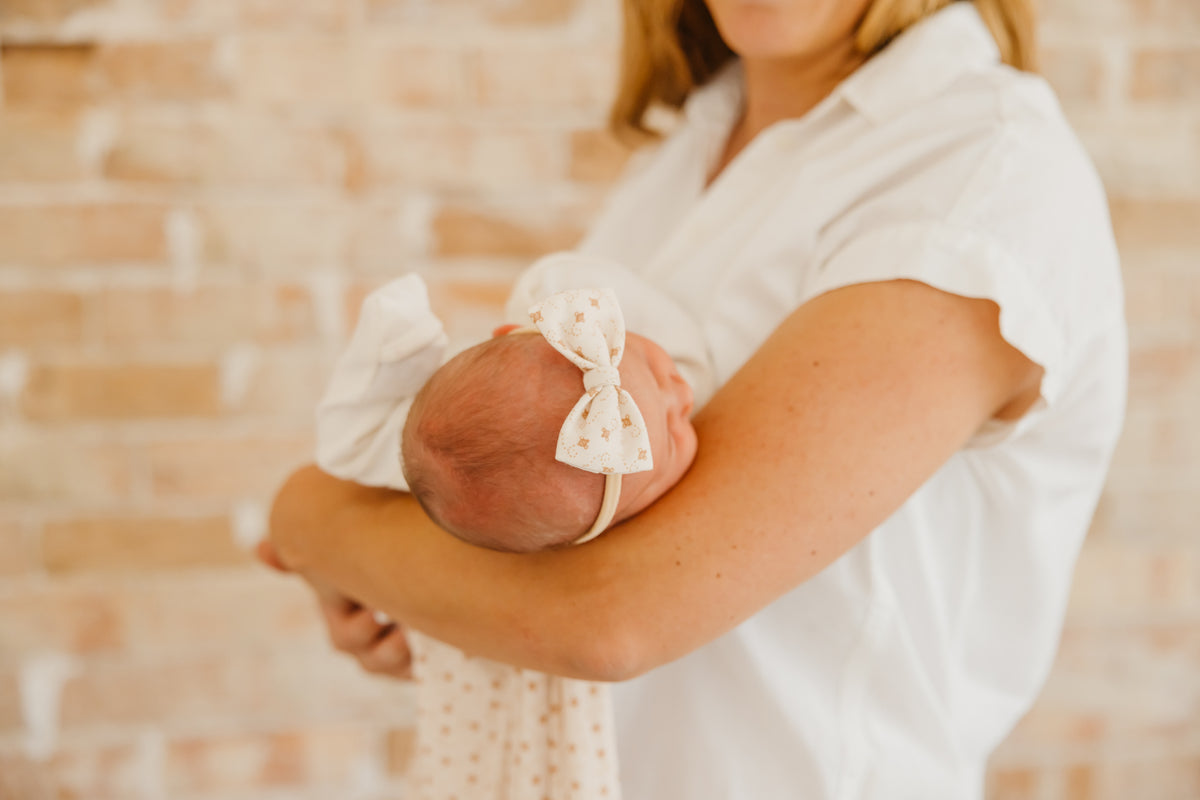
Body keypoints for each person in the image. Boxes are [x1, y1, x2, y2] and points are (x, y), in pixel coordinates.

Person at [259, 1, 1127, 797]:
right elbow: (560, 517)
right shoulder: (692, 143)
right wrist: (447, 598)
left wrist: (310, 519)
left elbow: (610, 618)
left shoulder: (976, 175)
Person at [309, 257, 716, 799]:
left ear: (512, 328)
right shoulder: (421, 466)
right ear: (583, 542)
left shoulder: (570, 328)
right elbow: (348, 452)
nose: (681, 394)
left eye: (652, 364)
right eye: (674, 434)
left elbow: (338, 454)